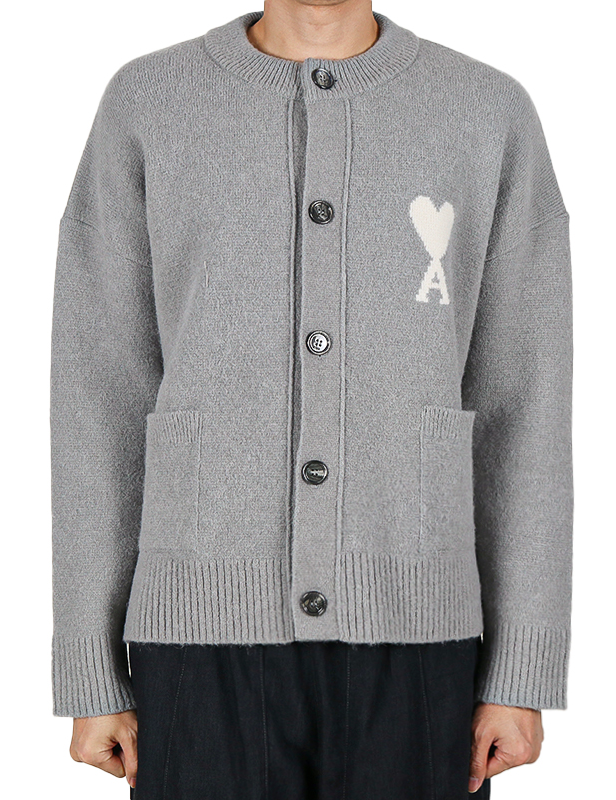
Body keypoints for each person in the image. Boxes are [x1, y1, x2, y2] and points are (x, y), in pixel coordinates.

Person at [49, 1, 573, 797]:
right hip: (197, 636)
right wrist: (91, 667)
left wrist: (520, 668)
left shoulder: (486, 110)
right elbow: (99, 393)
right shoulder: (149, 102)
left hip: (420, 634)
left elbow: (525, 401)